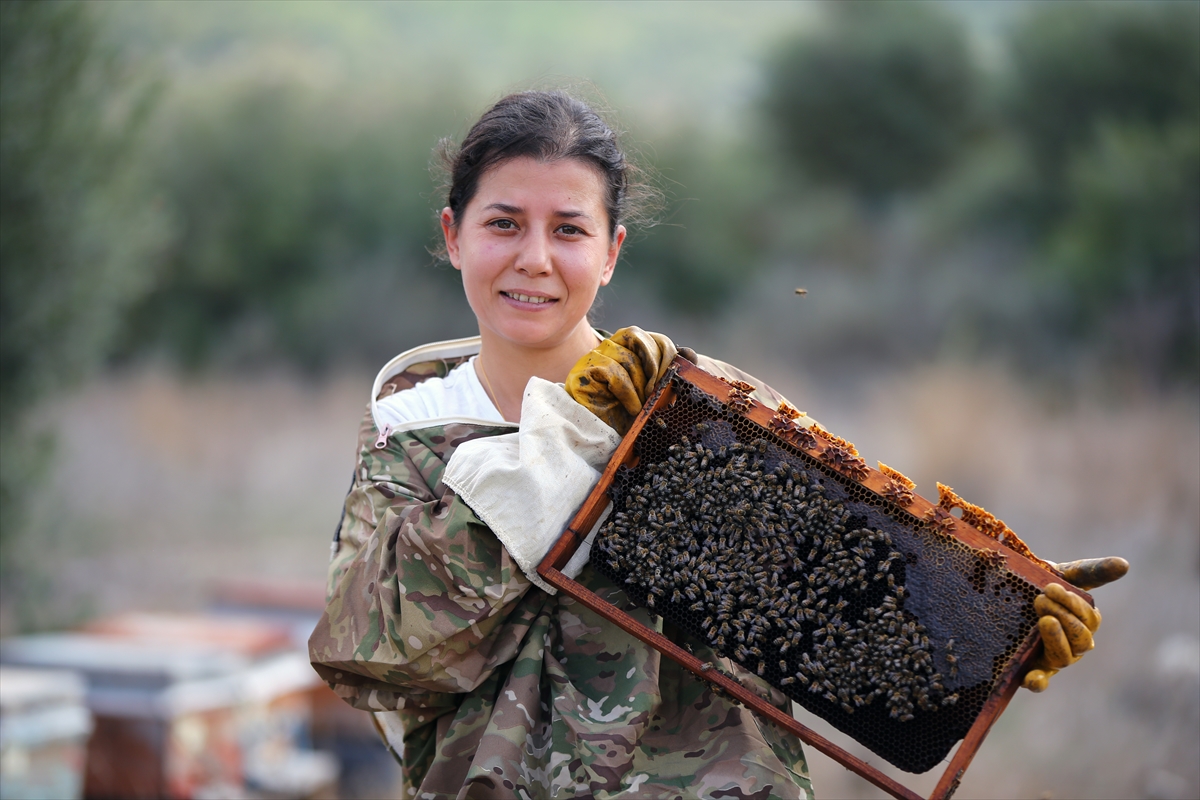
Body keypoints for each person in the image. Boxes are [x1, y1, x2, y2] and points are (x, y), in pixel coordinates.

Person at [308, 90, 1124, 799]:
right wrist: (564, 445)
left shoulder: (705, 405)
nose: (534, 259)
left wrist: (991, 628)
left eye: (568, 229)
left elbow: (837, 602)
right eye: (503, 223)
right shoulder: (414, 425)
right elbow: (377, 655)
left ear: (611, 251)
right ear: (453, 236)